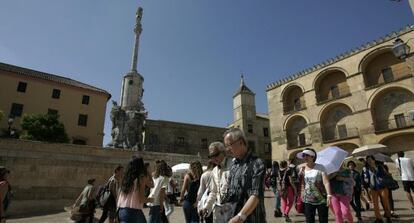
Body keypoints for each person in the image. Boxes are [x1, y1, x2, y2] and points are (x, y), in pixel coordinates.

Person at [223, 128, 266, 223]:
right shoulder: (234, 165)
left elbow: (255, 195)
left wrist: (240, 217)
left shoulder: (257, 163)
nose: (227, 149)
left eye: (229, 145)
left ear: (241, 142)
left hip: (253, 219)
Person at [200, 141, 233, 223]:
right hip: (218, 212)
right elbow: (214, 191)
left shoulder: (233, 164)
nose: (213, 158)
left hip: (232, 210)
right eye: (211, 156)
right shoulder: (214, 171)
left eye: (216, 155)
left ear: (223, 152)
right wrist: (206, 207)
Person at [297, 148, 332, 223]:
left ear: (312, 156)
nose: (304, 157)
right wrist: (302, 193)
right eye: (303, 155)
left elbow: (326, 182)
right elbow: (303, 183)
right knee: (309, 220)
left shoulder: (320, 167)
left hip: (321, 198)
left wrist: (329, 195)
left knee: (323, 220)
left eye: (306, 155)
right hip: (308, 199)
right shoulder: (302, 168)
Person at [118, 156, 154, 223]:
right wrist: (151, 200)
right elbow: (142, 199)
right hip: (133, 212)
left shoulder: (125, 179)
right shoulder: (141, 178)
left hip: (121, 211)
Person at [363, 155, 391, 223]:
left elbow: (384, 175)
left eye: (370, 159)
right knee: (375, 204)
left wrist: (375, 168)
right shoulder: (366, 169)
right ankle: (379, 218)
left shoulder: (380, 167)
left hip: (382, 187)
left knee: (385, 203)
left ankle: (388, 217)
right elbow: (366, 179)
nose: (369, 161)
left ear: (374, 160)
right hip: (373, 188)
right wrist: (366, 181)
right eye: (367, 160)